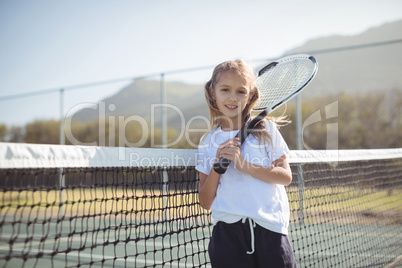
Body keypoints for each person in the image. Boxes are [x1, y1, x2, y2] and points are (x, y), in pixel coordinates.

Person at [196, 59, 297, 267]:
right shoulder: (208, 142)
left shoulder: (265, 130)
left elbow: (286, 177)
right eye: (225, 89)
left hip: (270, 231)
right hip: (227, 236)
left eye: (241, 92)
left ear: (250, 95)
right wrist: (217, 165)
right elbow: (205, 202)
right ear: (213, 92)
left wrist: (244, 165)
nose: (232, 97)